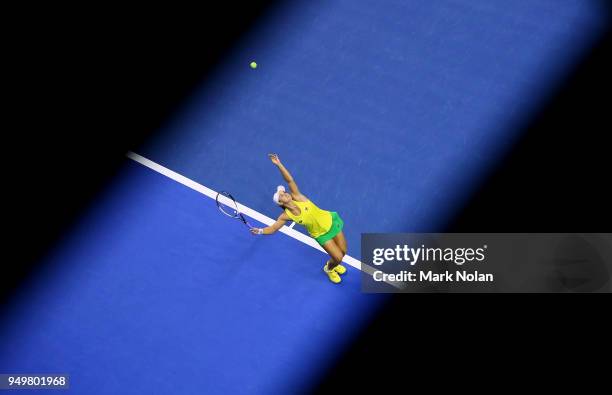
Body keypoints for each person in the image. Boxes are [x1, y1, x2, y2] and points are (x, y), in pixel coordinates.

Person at [250, 154, 348, 284]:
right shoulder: (286, 216)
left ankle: (334, 264)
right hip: (320, 234)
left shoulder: (298, 197)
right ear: (281, 203)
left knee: (343, 252)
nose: (285, 194)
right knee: (338, 257)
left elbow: (289, 180)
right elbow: (273, 228)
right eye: (282, 196)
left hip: (331, 220)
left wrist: (279, 164)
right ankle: (329, 269)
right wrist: (260, 231)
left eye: (284, 192)